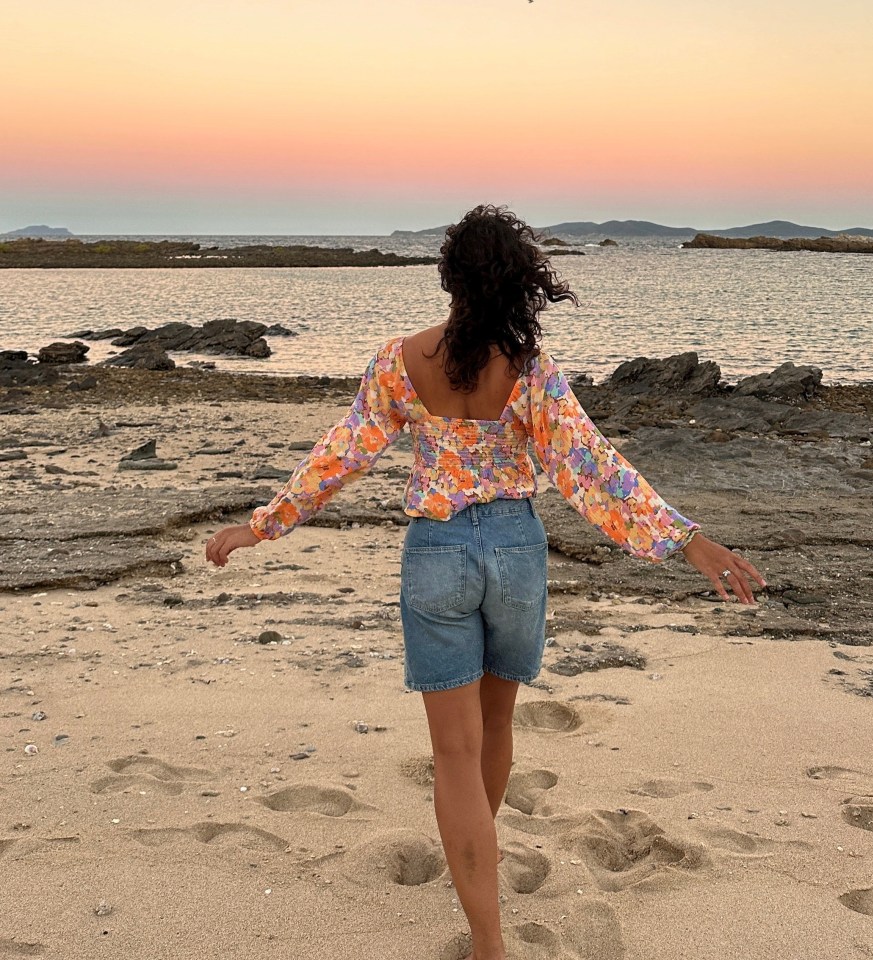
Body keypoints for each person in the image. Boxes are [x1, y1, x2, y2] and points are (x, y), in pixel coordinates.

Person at [205, 204, 766, 960]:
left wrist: (262, 523)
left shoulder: (401, 361)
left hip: (436, 554)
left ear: (448, 277)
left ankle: (487, 938)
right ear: (518, 281)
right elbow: (591, 472)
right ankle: (478, 868)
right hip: (514, 552)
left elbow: (341, 455)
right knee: (493, 731)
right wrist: (687, 541)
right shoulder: (528, 370)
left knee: (452, 756)